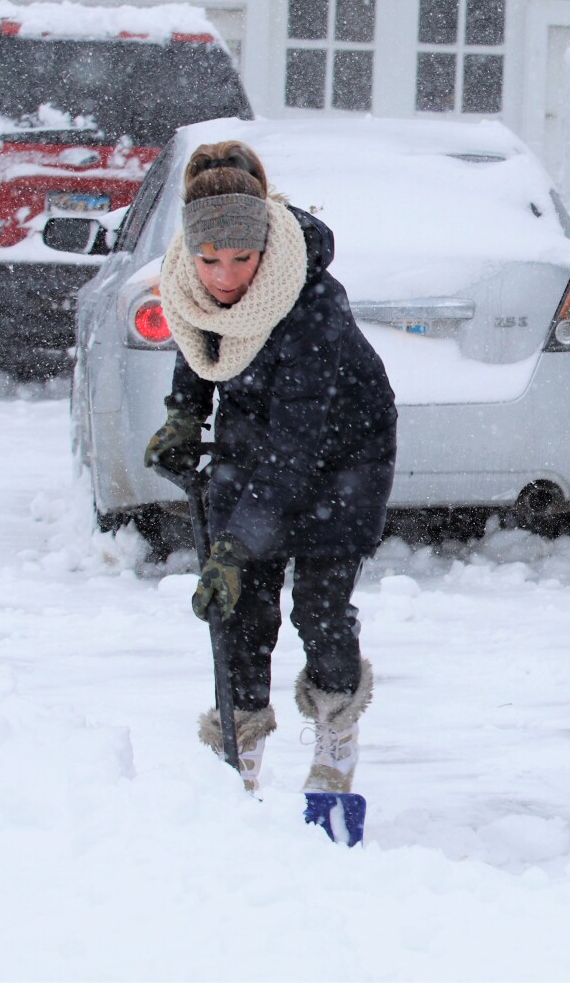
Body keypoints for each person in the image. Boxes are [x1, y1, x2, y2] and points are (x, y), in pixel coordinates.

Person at [142, 140, 397, 796]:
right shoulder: (192, 280)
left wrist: (237, 540)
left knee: (317, 607)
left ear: (264, 247)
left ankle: (336, 736)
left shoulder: (313, 303)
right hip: (257, 437)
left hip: (343, 447)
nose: (224, 276)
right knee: (242, 608)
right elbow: (202, 338)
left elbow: (298, 435)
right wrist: (183, 413)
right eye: (209, 260)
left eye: (241, 259)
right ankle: (240, 751)